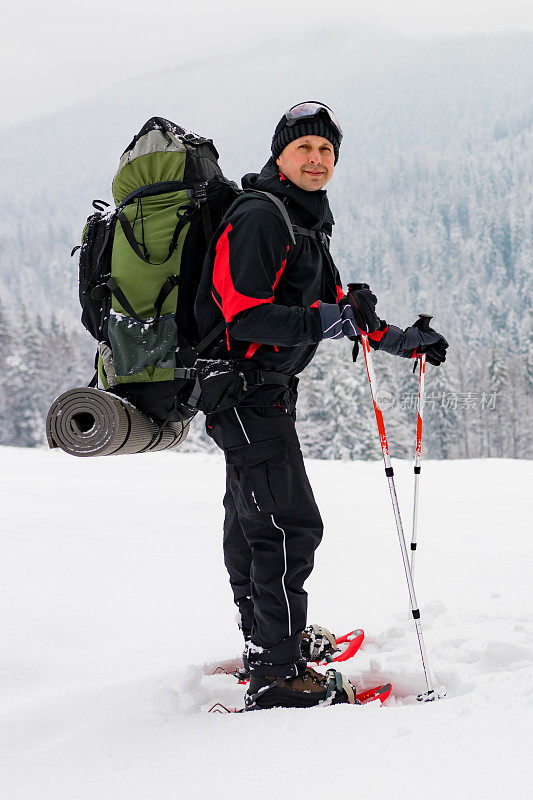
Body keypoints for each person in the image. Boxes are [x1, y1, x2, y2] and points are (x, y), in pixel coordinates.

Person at [194, 101, 448, 710]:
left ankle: (268, 642)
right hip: (243, 390)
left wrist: (400, 340)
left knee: (253, 521)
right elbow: (243, 312)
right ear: (279, 155)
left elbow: (338, 312)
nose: (316, 159)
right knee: (288, 524)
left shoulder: (304, 221)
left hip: (259, 392)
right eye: (304, 148)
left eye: (326, 151)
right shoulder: (262, 215)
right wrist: (324, 320)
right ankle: (280, 674)